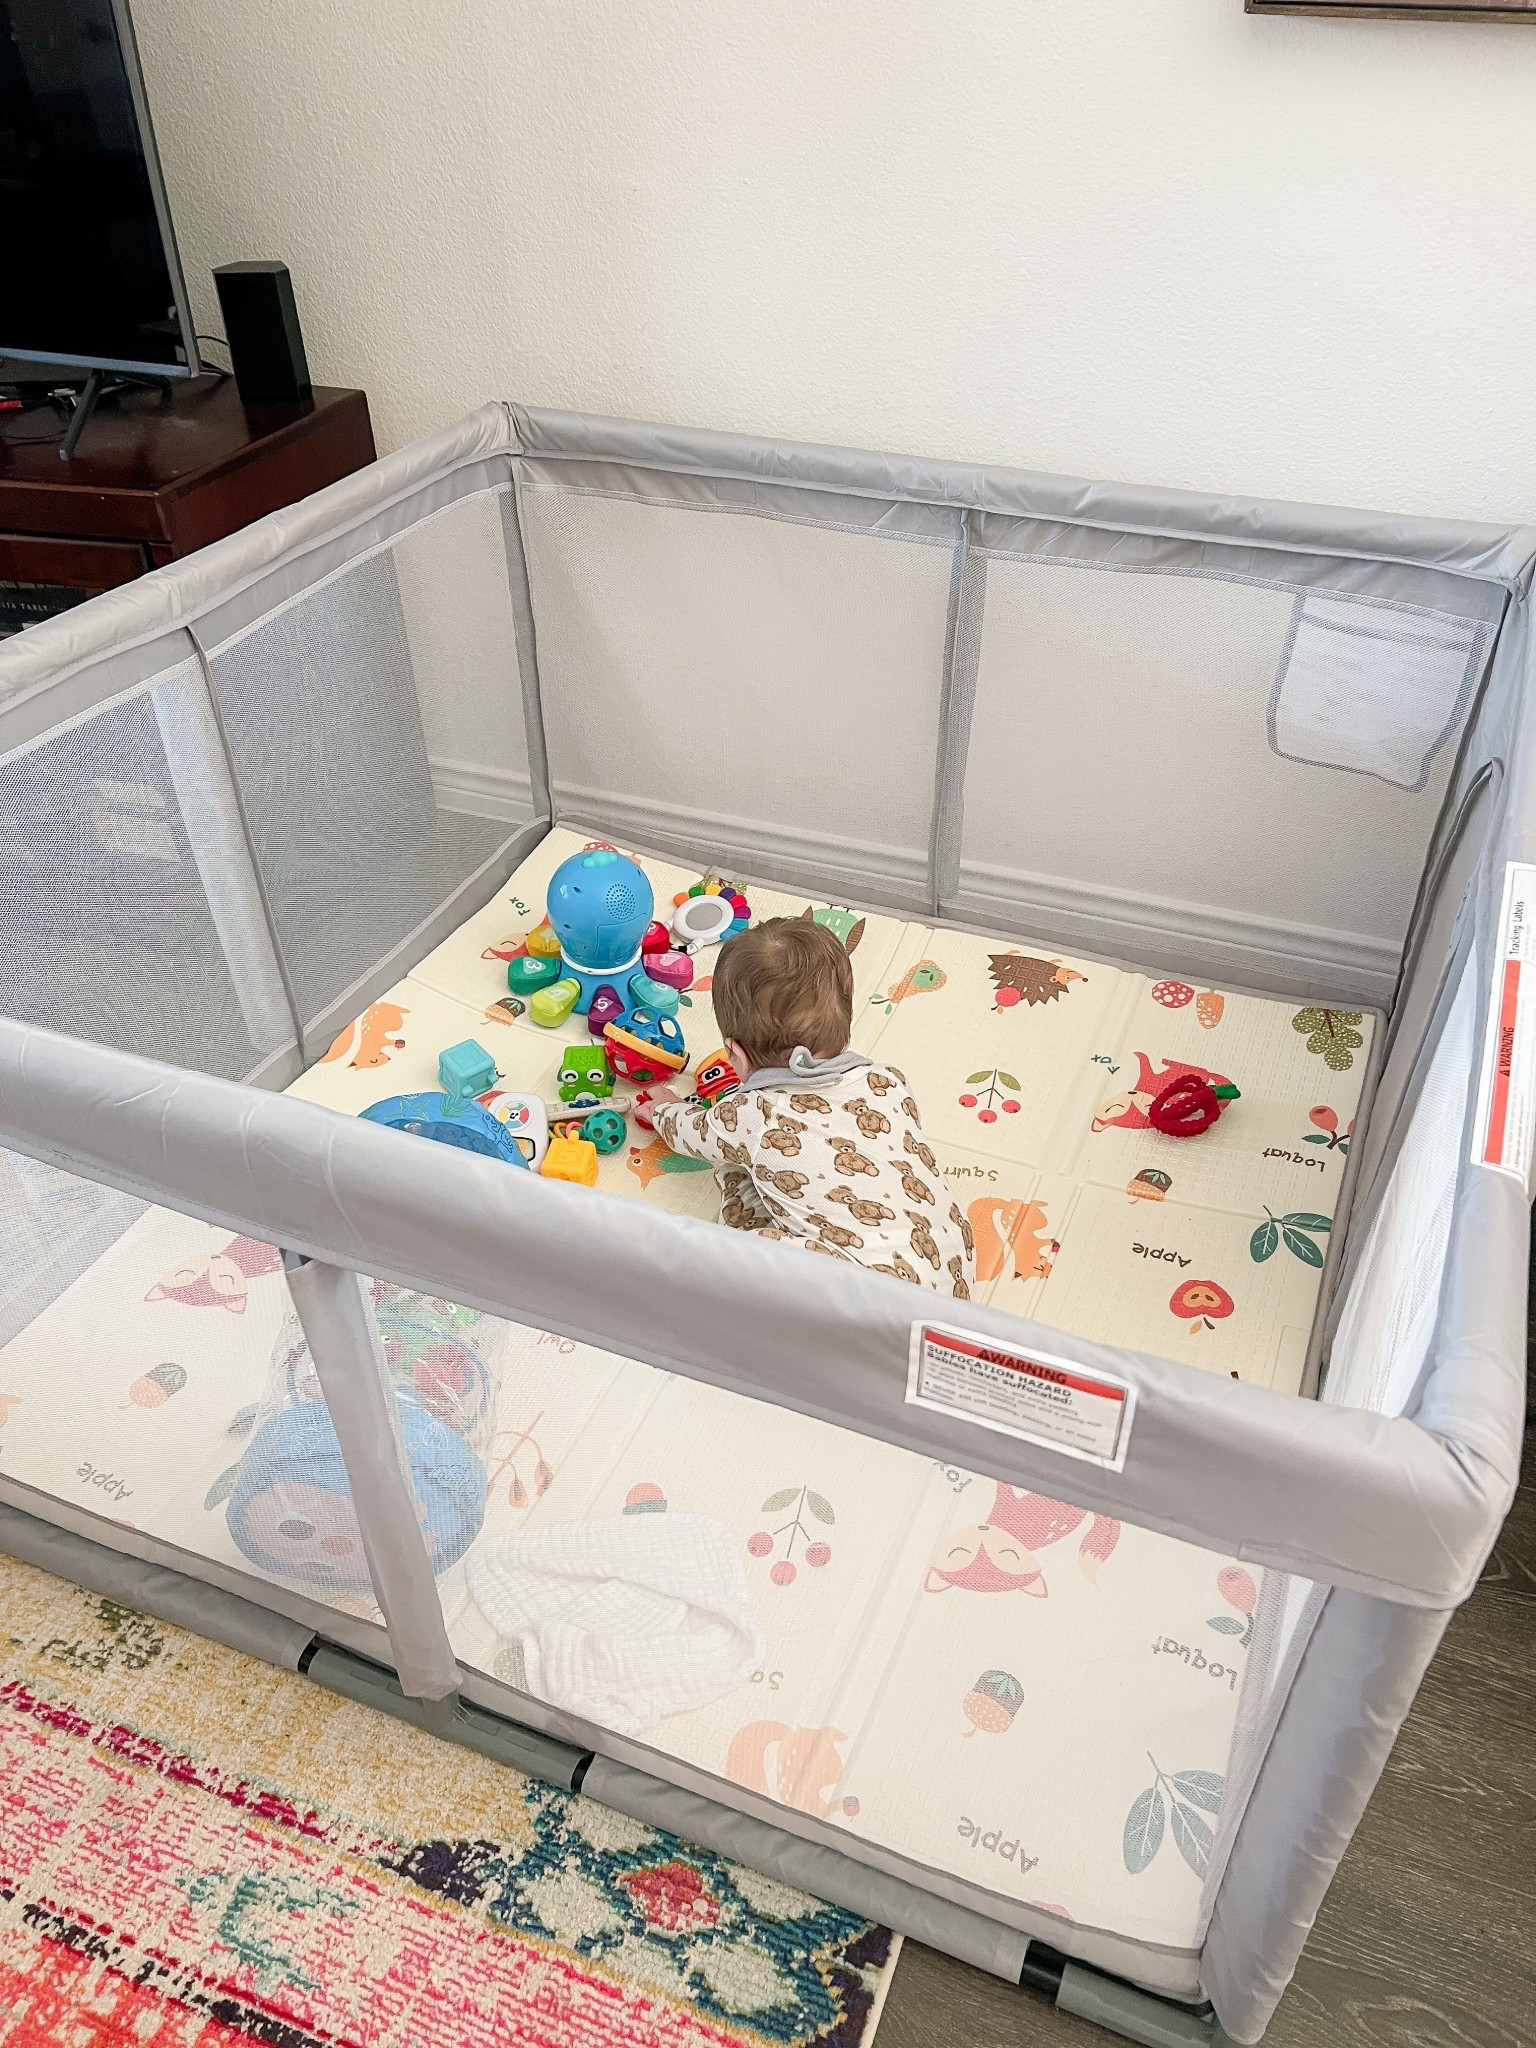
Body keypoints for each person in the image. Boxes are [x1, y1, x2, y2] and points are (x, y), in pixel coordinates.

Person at [647, 918, 974, 1296]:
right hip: (950, 1274)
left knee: (737, 1253)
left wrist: (663, 1110)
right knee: (752, 1174)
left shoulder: (752, 1114)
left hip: (866, 1295)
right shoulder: (888, 1080)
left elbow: (693, 1134)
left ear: (734, 1052)